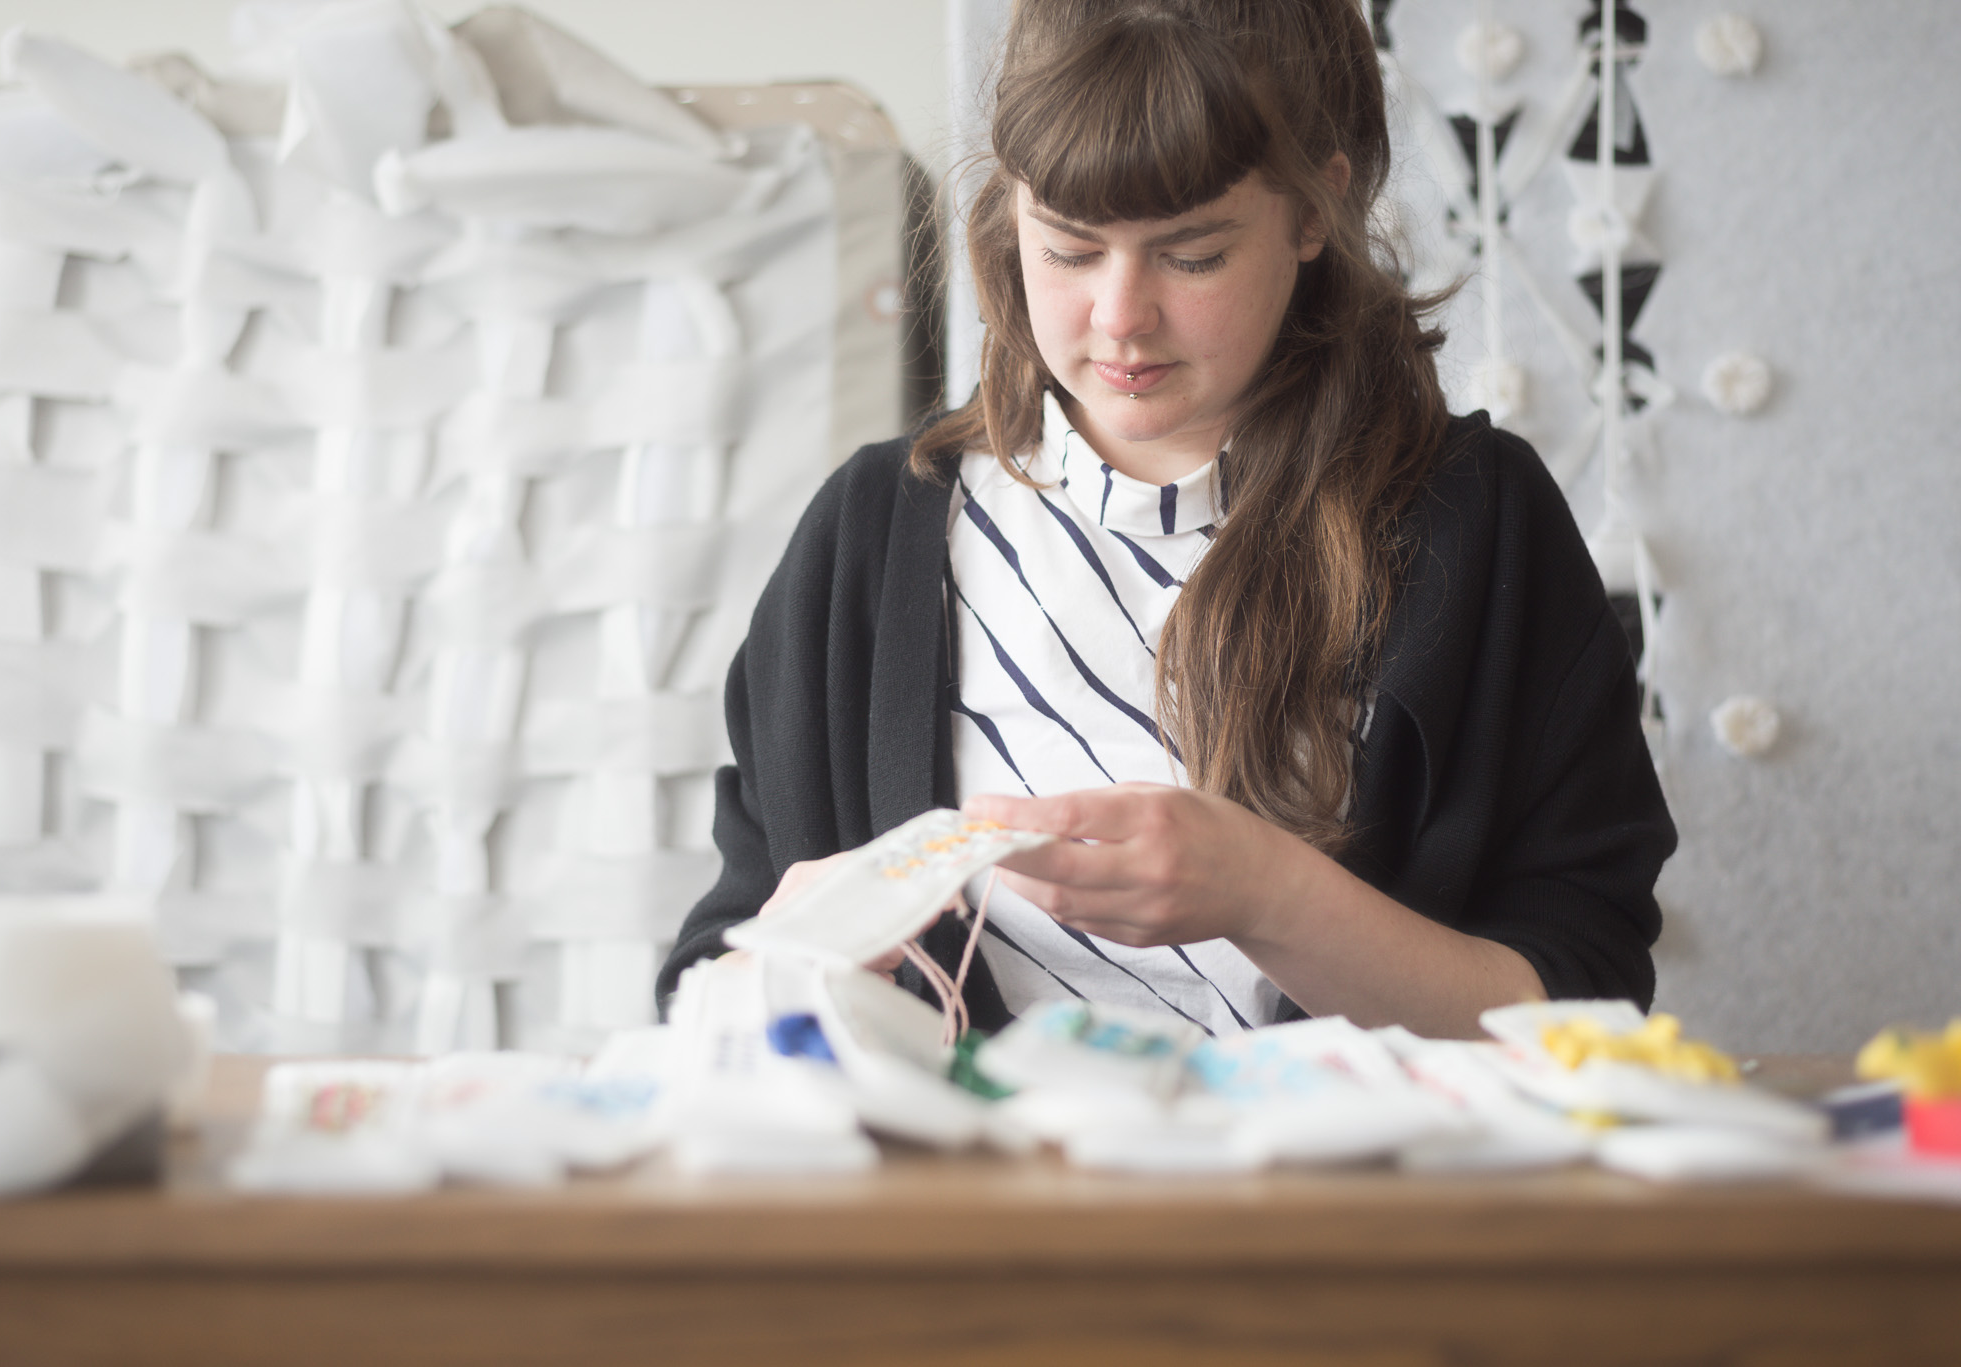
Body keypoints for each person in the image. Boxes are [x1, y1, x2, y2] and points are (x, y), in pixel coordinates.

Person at [656, 0, 1676, 1040]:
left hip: (1347, 1205)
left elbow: (1582, 1007)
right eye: (1065, 247)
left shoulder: (1478, 522)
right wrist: (777, 969)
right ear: (1011, 211)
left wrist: (1272, 896)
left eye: (1189, 256)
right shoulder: (867, 544)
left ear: (1315, 208)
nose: (1118, 317)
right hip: (961, 1206)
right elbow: (710, 977)